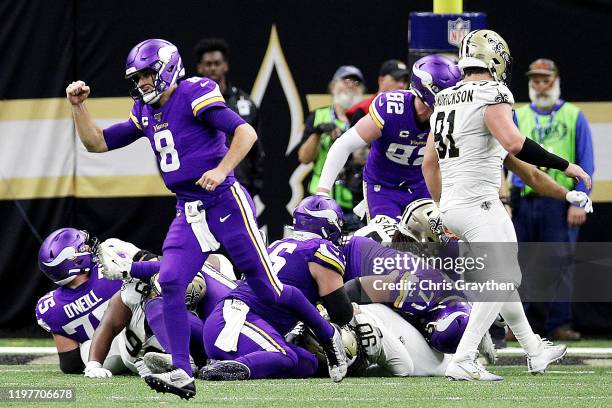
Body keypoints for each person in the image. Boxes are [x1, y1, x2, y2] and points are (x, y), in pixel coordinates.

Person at [65, 38, 346, 399]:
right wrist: (78, 107)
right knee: (169, 280)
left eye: (149, 75)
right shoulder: (145, 111)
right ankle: (183, 371)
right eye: (138, 78)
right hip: (188, 207)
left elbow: (246, 132)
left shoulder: (195, 92)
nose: (144, 84)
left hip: (225, 201)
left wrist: (222, 168)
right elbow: (97, 143)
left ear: (167, 68)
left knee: (267, 288)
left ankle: (328, 335)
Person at [421, 29, 592, 381]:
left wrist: (443, 207)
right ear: (495, 58)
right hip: (481, 203)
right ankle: (464, 357)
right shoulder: (493, 92)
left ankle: (534, 349)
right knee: (502, 278)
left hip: (454, 204)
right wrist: (565, 166)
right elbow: (514, 144)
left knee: (502, 280)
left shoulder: (445, 98)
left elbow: (429, 163)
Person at [199, 195, 354, 381]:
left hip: (237, 322)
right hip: (239, 323)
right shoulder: (322, 249)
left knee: (307, 363)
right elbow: (341, 313)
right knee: (286, 357)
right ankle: (232, 367)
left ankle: (225, 361)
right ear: (329, 225)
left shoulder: (278, 244)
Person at [316, 55, 461, 221]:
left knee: (433, 243)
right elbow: (343, 145)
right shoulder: (392, 108)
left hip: (423, 186)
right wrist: (322, 192)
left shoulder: (449, 116)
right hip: (383, 187)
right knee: (389, 242)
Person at [512, 58, 595, 341]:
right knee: (517, 261)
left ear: (556, 80)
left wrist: (579, 200)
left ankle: (559, 323)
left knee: (561, 262)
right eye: (534, 79)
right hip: (524, 197)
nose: (539, 85)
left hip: (560, 200)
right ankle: (517, 324)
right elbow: (503, 158)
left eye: (545, 79)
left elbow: (587, 160)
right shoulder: (519, 115)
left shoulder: (573, 115)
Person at [35, 229, 152, 375]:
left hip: (107, 359)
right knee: (139, 290)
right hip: (146, 336)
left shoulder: (50, 307)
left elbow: (70, 364)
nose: (91, 248)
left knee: (86, 346)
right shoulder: (108, 270)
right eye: (84, 246)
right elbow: (161, 268)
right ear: (74, 258)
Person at [193, 38, 264, 198]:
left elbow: (257, 148)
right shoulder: (189, 104)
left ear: (225, 66)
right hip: (203, 183)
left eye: (217, 63)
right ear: (199, 67)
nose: (212, 68)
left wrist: (255, 184)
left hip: (240, 182)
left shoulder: (245, 103)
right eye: (208, 64)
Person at [298, 65, 366, 227]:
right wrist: (317, 132)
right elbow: (304, 158)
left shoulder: (366, 119)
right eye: (346, 80)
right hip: (321, 198)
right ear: (333, 86)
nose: (351, 85)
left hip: (355, 201)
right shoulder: (319, 116)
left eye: (356, 82)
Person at [346, 59, 410, 126]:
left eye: (405, 81)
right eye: (397, 79)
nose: (401, 85)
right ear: (381, 80)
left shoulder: (411, 112)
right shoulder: (363, 110)